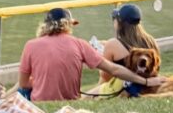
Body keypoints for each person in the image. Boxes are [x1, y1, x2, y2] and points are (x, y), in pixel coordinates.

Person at [17, 7, 164, 102]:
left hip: (39, 102)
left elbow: (24, 84)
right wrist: (145, 82)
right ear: (68, 25)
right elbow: (114, 70)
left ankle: (2, 98)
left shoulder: (30, 45)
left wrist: (43, 81)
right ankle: (2, 95)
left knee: (20, 89)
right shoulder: (80, 44)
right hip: (71, 103)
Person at [91, 3, 160, 96]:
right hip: (148, 88)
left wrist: (100, 56)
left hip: (121, 90)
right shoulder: (151, 41)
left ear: (120, 22)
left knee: (83, 97)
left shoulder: (112, 44)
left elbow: (105, 77)